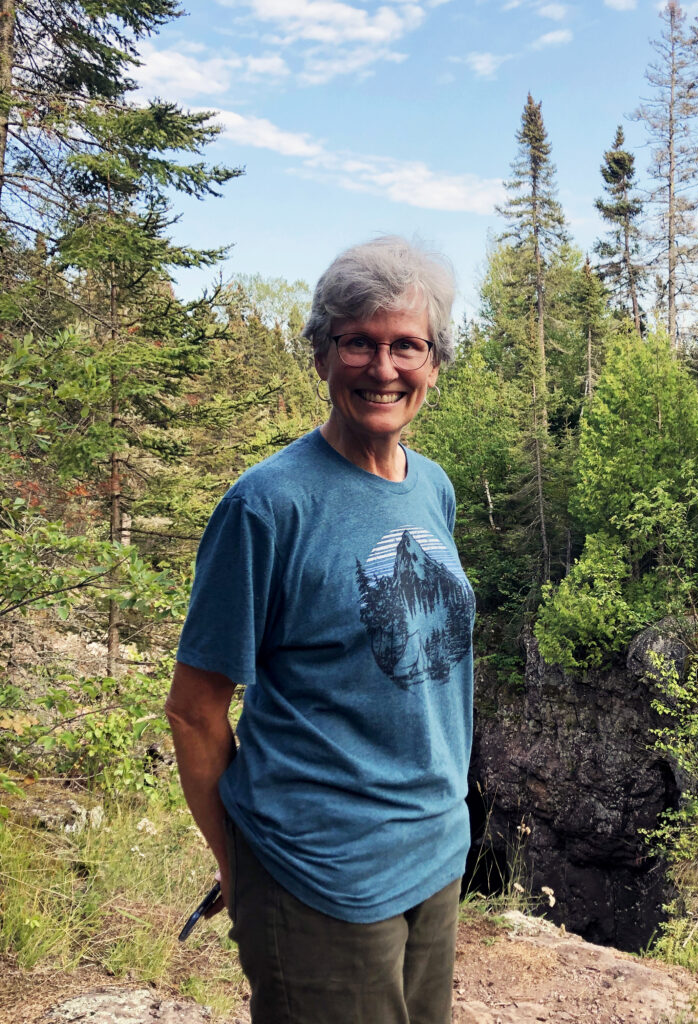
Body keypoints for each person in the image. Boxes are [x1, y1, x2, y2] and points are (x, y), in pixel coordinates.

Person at [165, 236, 475, 1024]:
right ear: (321, 356)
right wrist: (238, 867)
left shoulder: (432, 487)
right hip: (317, 870)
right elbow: (195, 710)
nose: (383, 368)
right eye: (358, 343)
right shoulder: (266, 507)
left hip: (433, 855)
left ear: (434, 363)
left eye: (407, 344)